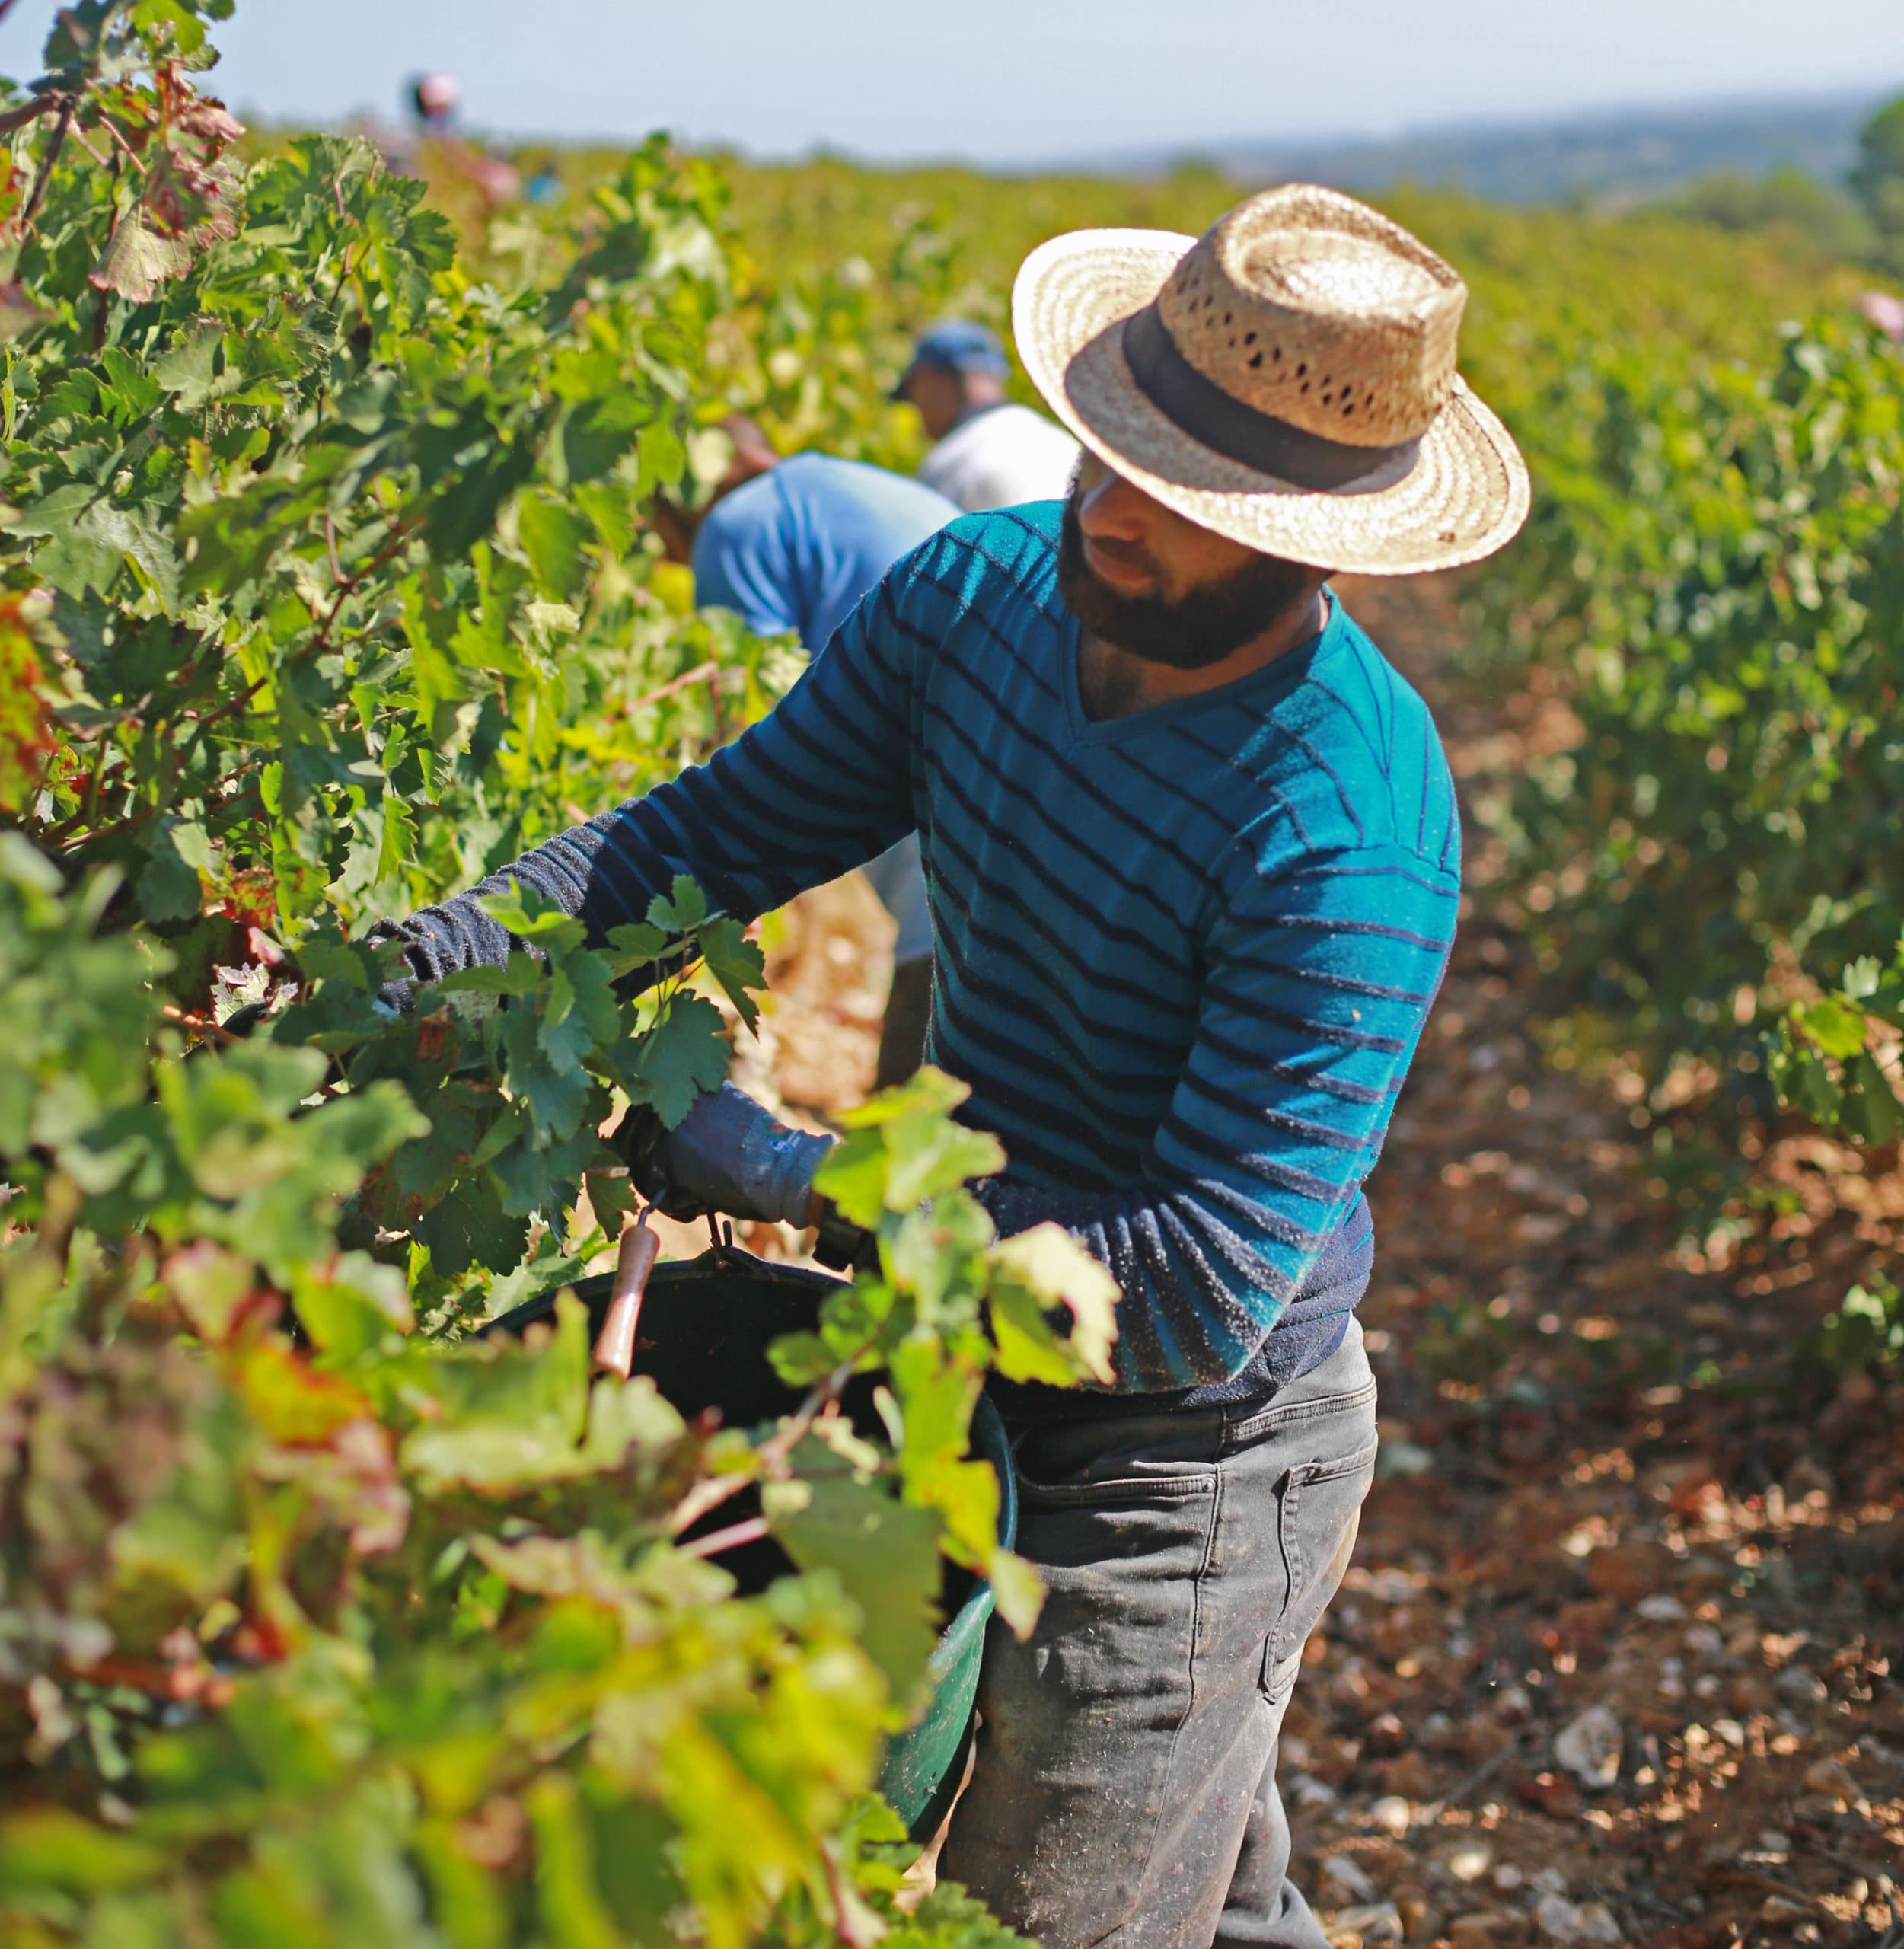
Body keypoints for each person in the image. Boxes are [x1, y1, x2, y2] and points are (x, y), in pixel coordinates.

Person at [376, 184, 1529, 1947]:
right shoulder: (973, 601)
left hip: (1181, 1465)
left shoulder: (1349, 828)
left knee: (1046, 1914)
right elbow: (704, 838)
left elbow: (1187, 1297)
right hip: (943, 1351)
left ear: (1321, 540)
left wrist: (788, 1173)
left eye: (1181, 495)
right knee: (1218, 1886)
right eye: (1112, 446)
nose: (1110, 507)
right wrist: (428, 953)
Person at [662, 416, 961, 1087]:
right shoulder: (828, 484)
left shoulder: (733, 525)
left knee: (931, 967)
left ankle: (893, 1167)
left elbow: (748, 743)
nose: (669, 555)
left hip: (938, 738)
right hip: (996, 716)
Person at [896, 318, 1080, 511]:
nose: (917, 411)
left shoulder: (947, 463)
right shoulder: (1060, 442)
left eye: (912, 396)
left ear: (929, 380)